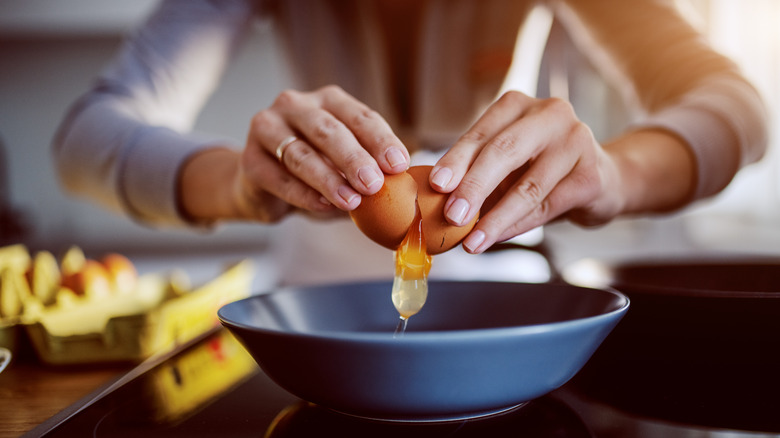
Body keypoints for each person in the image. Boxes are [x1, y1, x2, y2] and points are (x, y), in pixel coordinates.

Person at [53, 0, 767, 286]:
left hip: (502, 286)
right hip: (315, 296)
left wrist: (616, 176)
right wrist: (237, 185)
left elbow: (741, 109)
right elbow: (85, 136)